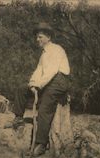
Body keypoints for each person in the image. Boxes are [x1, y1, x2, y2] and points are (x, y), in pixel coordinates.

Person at [28, 22, 70, 156]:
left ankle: (41, 143)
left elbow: (51, 71)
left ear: (48, 37)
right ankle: (17, 119)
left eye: (40, 37)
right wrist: (32, 83)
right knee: (21, 90)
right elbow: (38, 70)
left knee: (45, 107)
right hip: (49, 80)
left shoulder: (56, 49)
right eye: (37, 37)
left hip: (59, 81)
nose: (37, 39)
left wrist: (39, 85)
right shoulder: (43, 54)